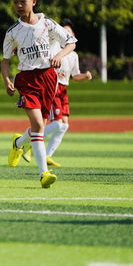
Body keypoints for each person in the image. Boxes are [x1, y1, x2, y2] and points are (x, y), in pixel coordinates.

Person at [1, 0, 77, 188]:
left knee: (40, 126)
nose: (18, 5)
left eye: (22, 1)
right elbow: (5, 59)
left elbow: (71, 42)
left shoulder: (48, 23)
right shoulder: (13, 31)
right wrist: (7, 80)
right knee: (37, 125)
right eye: (15, 1)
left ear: (33, 1)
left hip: (49, 78)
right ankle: (44, 173)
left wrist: (59, 55)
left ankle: (18, 143)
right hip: (26, 80)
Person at [42, 19, 92, 167]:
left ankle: (46, 155)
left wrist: (86, 76)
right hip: (53, 87)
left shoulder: (74, 55)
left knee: (64, 126)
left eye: (68, 32)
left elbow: (75, 76)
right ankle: (33, 140)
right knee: (58, 124)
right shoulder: (54, 48)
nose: (65, 35)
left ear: (73, 35)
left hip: (64, 89)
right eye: (63, 32)